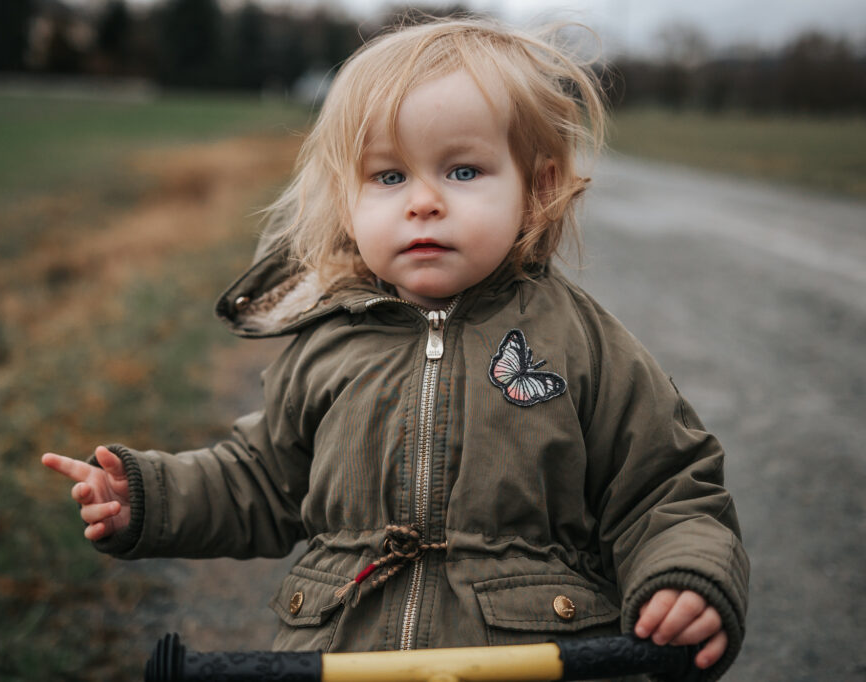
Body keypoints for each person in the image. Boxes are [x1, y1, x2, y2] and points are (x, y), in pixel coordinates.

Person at [41, 16, 749, 680]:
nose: (423, 202)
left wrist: (686, 576)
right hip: (343, 658)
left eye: (463, 171)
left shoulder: (581, 342)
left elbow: (668, 487)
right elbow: (260, 480)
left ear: (537, 189)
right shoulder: (326, 342)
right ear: (347, 198)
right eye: (389, 177)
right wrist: (150, 499)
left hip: (530, 658)